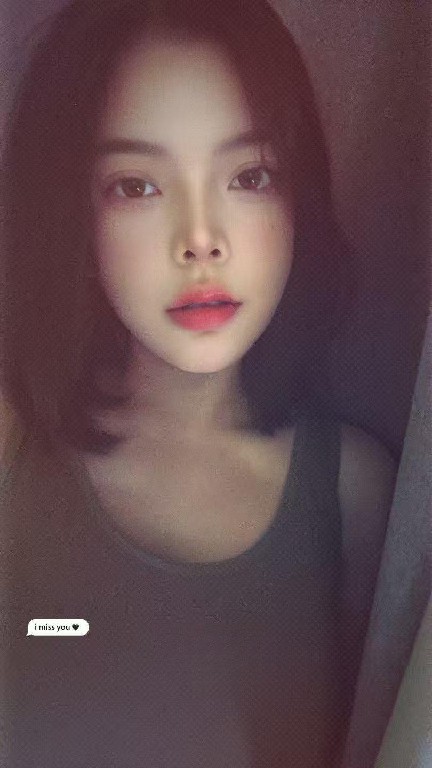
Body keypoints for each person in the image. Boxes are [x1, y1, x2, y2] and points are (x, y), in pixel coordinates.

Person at [0, 0, 397, 765]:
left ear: (299, 198)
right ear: (75, 216)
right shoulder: (12, 449)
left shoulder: (353, 496)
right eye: (136, 186)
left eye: (249, 175)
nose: (200, 240)